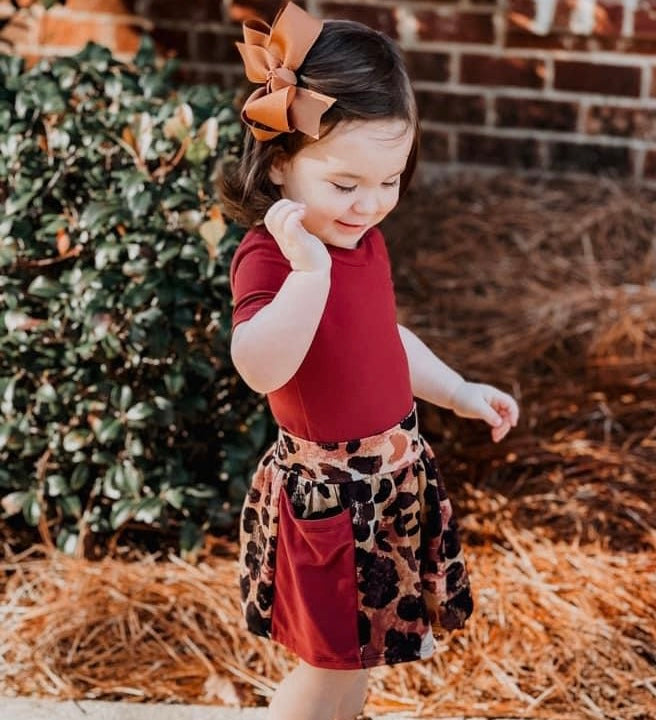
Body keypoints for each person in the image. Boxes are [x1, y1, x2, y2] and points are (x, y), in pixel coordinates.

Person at [217, 4, 520, 719]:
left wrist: (457, 390)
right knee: (326, 667)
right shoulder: (274, 257)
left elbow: (383, 340)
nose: (369, 205)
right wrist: (308, 276)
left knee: (361, 656)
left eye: (389, 181)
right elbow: (258, 366)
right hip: (329, 500)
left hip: (390, 487)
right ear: (280, 162)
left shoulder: (364, 242)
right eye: (345, 184)